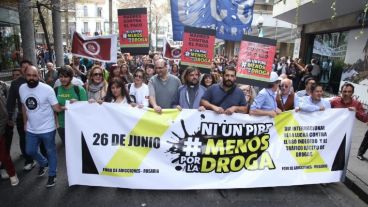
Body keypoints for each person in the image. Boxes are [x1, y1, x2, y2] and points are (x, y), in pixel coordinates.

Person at [20, 65, 66, 188]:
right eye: (29, 75)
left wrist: (67, 106)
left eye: (34, 75)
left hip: (47, 128)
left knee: (51, 151)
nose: (31, 78)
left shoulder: (47, 89)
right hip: (31, 128)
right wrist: (25, 123)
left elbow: (56, 108)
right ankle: (43, 163)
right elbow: (24, 107)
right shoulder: (22, 88)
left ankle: (52, 174)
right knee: (30, 150)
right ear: (25, 75)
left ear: (39, 76)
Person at [6, 60, 37, 171]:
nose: (25, 69)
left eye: (27, 67)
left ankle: (43, 159)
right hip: (21, 116)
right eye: (23, 67)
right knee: (24, 139)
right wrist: (9, 117)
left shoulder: (39, 80)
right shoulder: (15, 83)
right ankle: (29, 160)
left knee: (40, 139)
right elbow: (10, 102)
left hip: (38, 116)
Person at [330, 83, 368, 160]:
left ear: (352, 93)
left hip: (346, 135)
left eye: (349, 91)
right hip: (333, 132)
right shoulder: (333, 102)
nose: (346, 93)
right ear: (341, 91)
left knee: (342, 156)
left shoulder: (356, 104)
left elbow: (364, 119)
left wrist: (356, 111)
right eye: (344, 91)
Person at [54, 66, 88, 145]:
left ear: (71, 77)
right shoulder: (56, 90)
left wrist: (77, 103)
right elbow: (53, 108)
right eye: (61, 77)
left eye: (66, 77)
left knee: (79, 148)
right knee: (68, 149)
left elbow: (85, 108)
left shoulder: (79, 90)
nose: (63, 79)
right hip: (62, 125)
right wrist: (57, 124)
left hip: (77, 125)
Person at [0, 84, 19, 186]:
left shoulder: (4, 87)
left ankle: (12, 174)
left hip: (2, 131)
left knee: (4, 156)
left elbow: (4, 116)